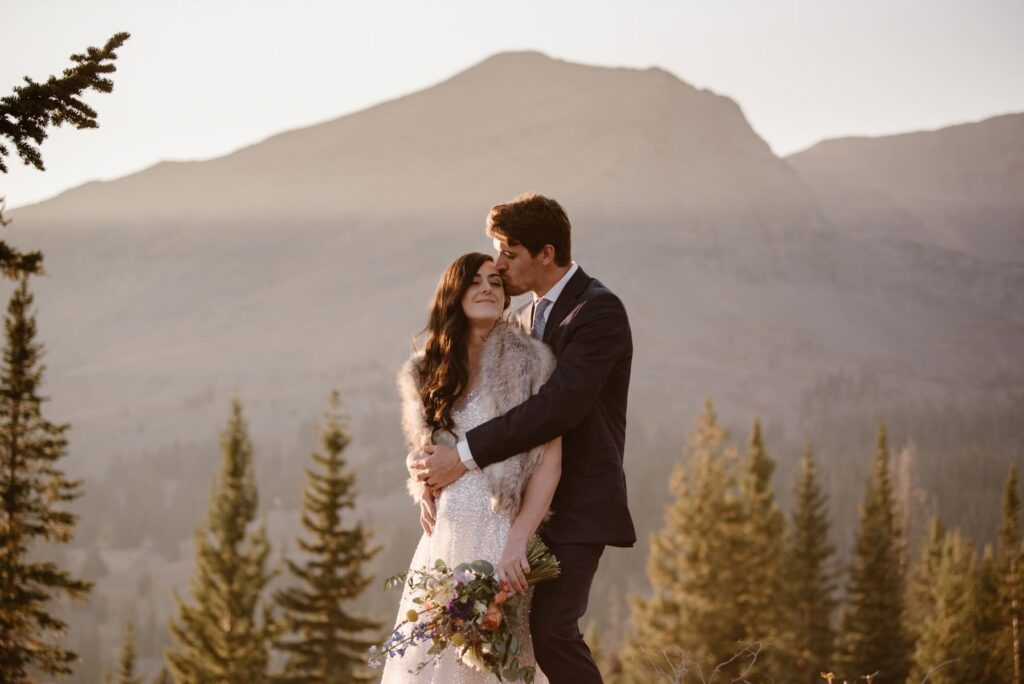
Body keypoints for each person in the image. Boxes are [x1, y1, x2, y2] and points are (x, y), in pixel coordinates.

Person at [410, 193, 636, 684]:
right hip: (517, 508)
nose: (499, 264)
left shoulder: (598, 312)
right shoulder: (525, 320)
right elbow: (463, 405)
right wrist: (426, 467)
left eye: (509, 254)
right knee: (504, 639)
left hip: (577, 506)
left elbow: (559, 408)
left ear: (547, 254)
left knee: (551, 630)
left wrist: (463, 458)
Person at [382, 252, 561, 684]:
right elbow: (428, 449)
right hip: (444, 537)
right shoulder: (429, 368)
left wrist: (518, 541)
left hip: (502, 532)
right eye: (475, 281)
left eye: (496, 283)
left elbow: (549, 462)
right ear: (454, 293)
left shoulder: (530, 364)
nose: (487, 289)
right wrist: (418, 473)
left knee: (502, 659)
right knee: (436, 661)